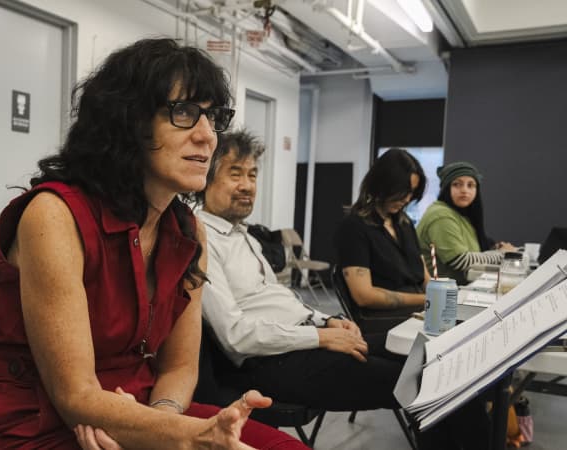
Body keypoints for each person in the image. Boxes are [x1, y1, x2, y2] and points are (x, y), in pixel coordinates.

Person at [0, 38, 306, 450]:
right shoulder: (54, 216)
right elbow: (76, 398)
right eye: (184, 113)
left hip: (140, 411)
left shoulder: (188, 231)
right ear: (128, 122)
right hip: (37, 426)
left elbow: (180, 366)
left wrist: (160, 422)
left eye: (213, 117)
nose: (208, 136)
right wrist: (185, 437)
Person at [198, 132, 490, 450]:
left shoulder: (245, 236)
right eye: (235, 173)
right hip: (275, 360)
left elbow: (281, 302)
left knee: (445, 365)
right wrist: (320, 337)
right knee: (434, 381)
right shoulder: (202, 239)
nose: (247, 185)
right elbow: (236, 336)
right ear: (204, 179)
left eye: (252, 174)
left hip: (303, 341)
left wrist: (327, 321)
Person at [333, 148, 430, 333]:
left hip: (415, 313)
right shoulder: (354, 227)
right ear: (383, 184)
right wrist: (427, 301)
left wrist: (440, 295)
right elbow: (364, 295)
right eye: (403, 192)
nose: (408, 199)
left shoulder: (404, 223)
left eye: (412, 193)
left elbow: (423, 273)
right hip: (382, 322)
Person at [416, 161, 516, 285]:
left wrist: (495, 248)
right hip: (439, 293)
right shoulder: (441, 215)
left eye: (471, 185)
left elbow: (472, 252)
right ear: (446, 188)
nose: (464, 190)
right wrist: (502, 255)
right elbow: (460, 260)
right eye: (457, 184)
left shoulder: (460, 215)